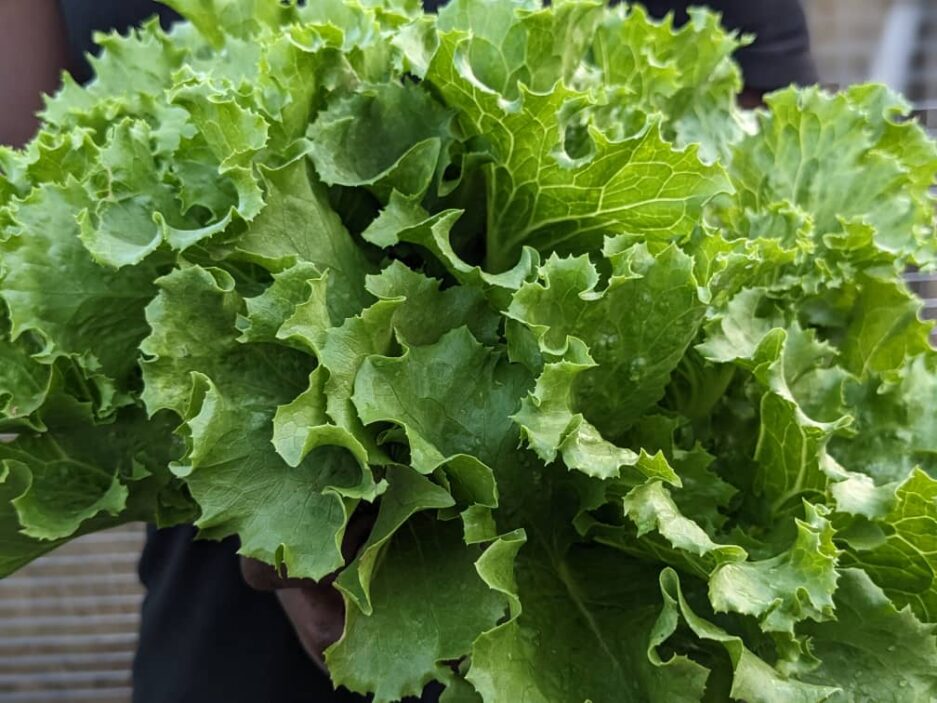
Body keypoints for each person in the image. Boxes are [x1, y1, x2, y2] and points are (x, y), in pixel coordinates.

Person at [0, 1, 816, 701]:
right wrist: (277, 487)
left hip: (599, 595)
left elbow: (753, 182)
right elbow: (37, 232)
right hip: (239, 626)